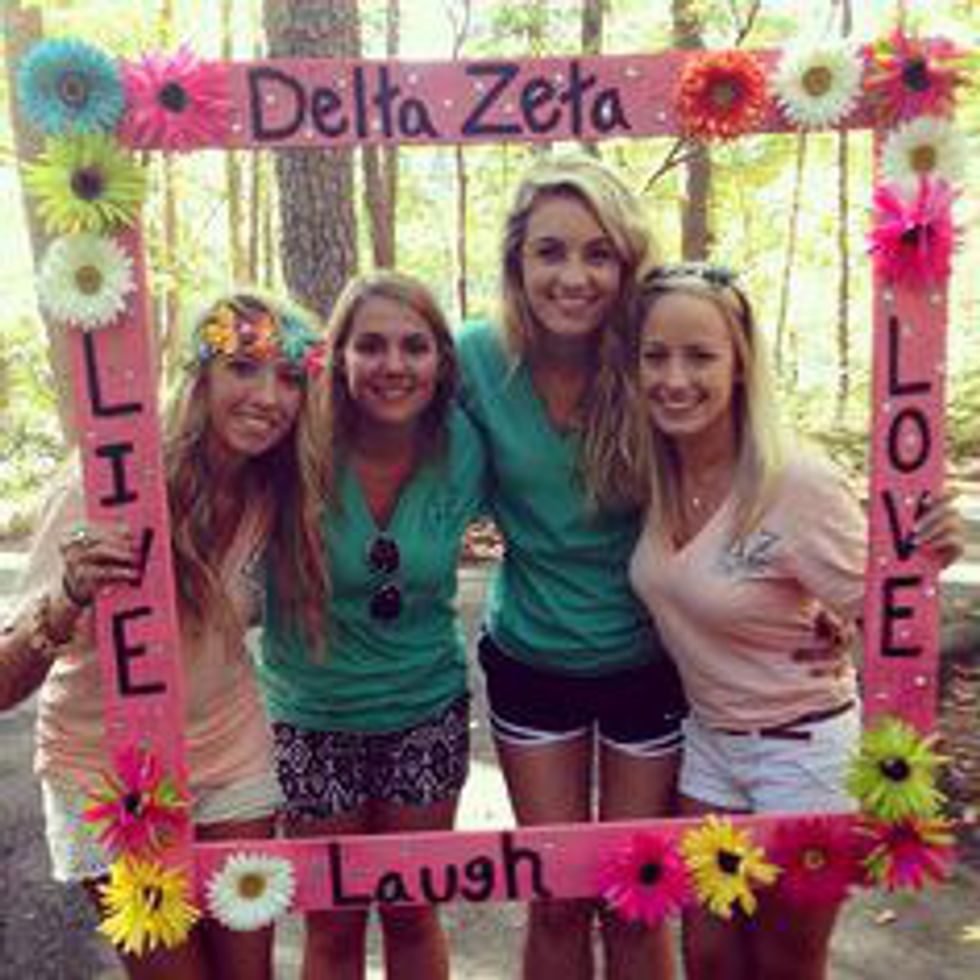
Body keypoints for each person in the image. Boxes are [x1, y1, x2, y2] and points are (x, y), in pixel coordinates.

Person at [620, 263, 963, 980]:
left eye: (700, 356)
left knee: (784, 963)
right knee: (709, 958)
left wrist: (925, 555)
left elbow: (886, 615)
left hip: (801, 754)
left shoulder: (794, 482)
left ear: (741, 364)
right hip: (709, 748)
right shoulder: (653, 472)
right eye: (656, 356)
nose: (674, 379)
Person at [0, 292, 328, 980]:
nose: (269, 397)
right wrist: (68, 596)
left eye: (290, 378)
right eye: (243, 367)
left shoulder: (276, 487)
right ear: (198, 374)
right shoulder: (106, 483)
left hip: (230, 757)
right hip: (109, 772)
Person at [455, 154, 687, 980]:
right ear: (517, 261)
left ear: (628, 263)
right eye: (550, 251)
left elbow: (750, 467)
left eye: (599, 254)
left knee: (636, 897)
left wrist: (861, 560)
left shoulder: (658, 355)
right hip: (533, 660)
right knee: (557, 897)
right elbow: (363, 429)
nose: (574, 276)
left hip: (653, 661)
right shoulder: (475, 359)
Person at [256, 270, 486, 980]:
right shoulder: (294, 443)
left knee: (413, 910)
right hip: (312, 717)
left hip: (425, 710)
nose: (394, 365)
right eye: (371, 346)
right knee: (333, 921)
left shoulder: (465, 445)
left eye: (414, 346)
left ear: (441, 359)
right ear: (338, 356)